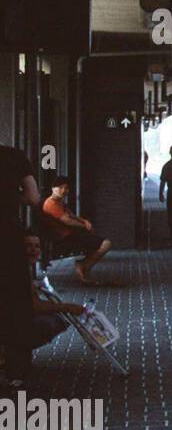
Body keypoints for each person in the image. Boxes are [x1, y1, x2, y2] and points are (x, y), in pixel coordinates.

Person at [1, 227, 86, 387]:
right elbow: (32, 306)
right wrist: (66, 307)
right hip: (9, 322)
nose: (33, 251)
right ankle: (12, 355)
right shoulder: (16, 272)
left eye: (36, 246)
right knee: (50, 322)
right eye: (28, 246)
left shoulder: (22, 269)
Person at [1, 144, 41, 387]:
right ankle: (16, 371)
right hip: (7, 235)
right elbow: (33, 198)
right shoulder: (14, 156)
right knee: (14, 299)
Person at [42, 175, 112, 284]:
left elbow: (72, 216)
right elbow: (67, 220)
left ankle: (83, 267)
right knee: (106, 244)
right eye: (60, 187)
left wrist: (85, 221)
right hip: (64, 238)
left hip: (70, 235)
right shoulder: (51, 204)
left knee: (98, 242)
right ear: (52, 188)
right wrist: (84, 226)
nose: (63, 190)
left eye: (66, 188)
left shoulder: (60, 202)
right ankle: (83, 266)